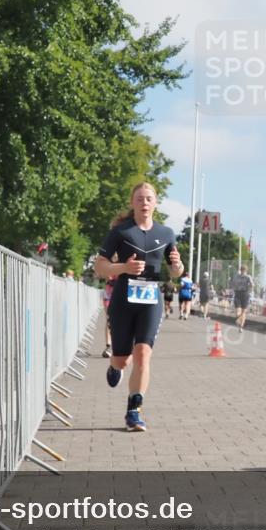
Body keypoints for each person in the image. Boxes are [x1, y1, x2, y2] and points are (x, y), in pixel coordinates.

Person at [95, 183, 183, 432]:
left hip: (151, 300)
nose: (144, 203)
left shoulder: (166, 233)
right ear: (132, 202)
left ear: (155, 203)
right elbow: (100, 267)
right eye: (140, 198)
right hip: (123, 299)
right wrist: (124, 267)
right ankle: (115, 366)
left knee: (143, 353)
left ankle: (134, 411)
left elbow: (175, 271)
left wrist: (177, 265)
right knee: (122, 360)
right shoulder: (120, 231)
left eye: (149, 199)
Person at [232, 264, 253, 330]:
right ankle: (240, 325)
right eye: (243, 270)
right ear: (246, 270)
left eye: (243, 270)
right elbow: (252, 285)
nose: (243, 271)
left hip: (239, 293)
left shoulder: (237, 276)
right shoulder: (248, 277)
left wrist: (235, 289)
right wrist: (250, 290)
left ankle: (240, 325)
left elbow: (233, 284)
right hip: (244, 294)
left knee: (241, 311)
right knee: (242, 312)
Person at [101, 272, 116, 357]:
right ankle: (108, 346)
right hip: (109, 293)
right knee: (109, 319)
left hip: (125, 291)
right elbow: (103, 274)